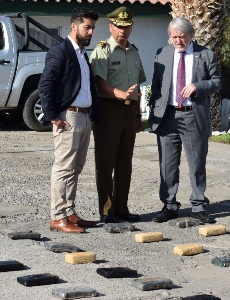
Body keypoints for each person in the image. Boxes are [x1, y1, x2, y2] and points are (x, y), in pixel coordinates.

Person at [149, 17, 222, 223]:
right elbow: (156, 86)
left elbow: (216, 82)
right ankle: (169, 205)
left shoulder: (206, 54)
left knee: (196, 162)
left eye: (182, 37)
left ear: (191, 35)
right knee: (168, 164)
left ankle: (198, 205)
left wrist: (198, 86)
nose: (178, 41)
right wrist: (155, 111)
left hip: (193, 114)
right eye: (174, 37)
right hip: (167, 116)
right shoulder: (161, 54)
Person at [39, 7, 100, 233]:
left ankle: (69, 212)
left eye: (93, 28)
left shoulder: (83, 54)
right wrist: (52, 116)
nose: (91, 32)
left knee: (76, 168)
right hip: (68, 117)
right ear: (74, 26)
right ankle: (57, 216)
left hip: (84, 117)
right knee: (64, 168)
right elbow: (45, 84)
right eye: (87, 27)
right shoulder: (60, 52)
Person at [89, 6, 146, 223]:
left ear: (131, 27)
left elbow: (138, 84)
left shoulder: (134, 51)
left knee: (125, 161)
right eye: (119, 27)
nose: (123, 31)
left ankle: (122, 207)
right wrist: (120, 94)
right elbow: (99, 82)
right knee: (106, 161)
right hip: (109, 109)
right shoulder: (102, 49)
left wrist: (138, 115)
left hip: (129, 110)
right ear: (111, 27)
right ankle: (107, 210)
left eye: (127, 26)